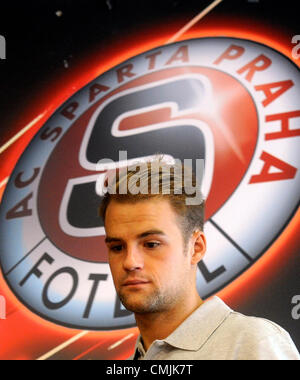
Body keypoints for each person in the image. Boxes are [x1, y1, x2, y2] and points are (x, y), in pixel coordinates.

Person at [99, 155, 300, 360]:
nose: (130, 262)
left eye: (151, 244)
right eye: (117, 247)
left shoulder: (253, 344)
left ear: (196, 247)